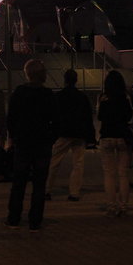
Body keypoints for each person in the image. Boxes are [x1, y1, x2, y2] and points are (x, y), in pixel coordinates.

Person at [5, 59, 56, 232]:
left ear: (27, 74)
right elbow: (55, 121)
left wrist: (13, 137)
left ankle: (13, 218)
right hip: (42, 143)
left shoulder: (19, 93)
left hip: (23, 143)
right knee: (39, 184)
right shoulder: (48, 94)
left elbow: (11, 119)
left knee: (19, 182)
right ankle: (35, 220)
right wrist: (50, 138)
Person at [45, 69, 95, 201]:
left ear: (65, 80)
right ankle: (74, 192)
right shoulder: (82, 97)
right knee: (78, 164)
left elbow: (53, 116)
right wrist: (91, 137)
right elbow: (88, 117)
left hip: (64, 132)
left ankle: (47, 190)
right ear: (76, 80)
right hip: (79, 133)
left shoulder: (59, 96)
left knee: (54, 161)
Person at [97, 70, 133, 217]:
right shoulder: (125, 98)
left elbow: (100, 116)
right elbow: (129, 115)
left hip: (107, 137)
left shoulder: (103, 98)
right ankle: (123, 206)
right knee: (123, 174)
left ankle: (111, 206)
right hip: (123, 136)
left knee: (109, 174)